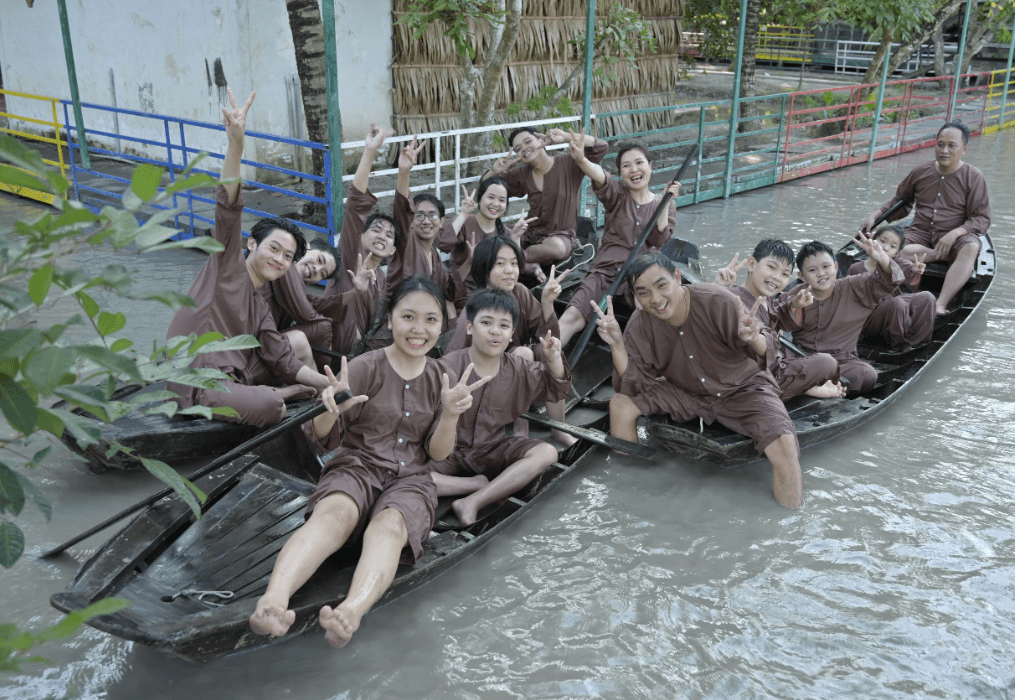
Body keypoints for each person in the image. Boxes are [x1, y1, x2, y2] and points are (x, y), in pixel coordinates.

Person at [249, 276, 493, 648]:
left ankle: (351, 612)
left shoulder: (442, 379)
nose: (419, 329)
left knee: (391, 528)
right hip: (356, 466)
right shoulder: (363, 366)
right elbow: (325, 437)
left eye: (430, 320)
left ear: (442, 326)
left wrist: (449, 415)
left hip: (411, 480)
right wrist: (330, 409)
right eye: (408, 317)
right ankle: (274, 600)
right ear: (390, 319)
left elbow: (438, 455)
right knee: (334, 514)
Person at [166, 89, 333, 427]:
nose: (280, 260)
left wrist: (329, 383)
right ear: (251, 244)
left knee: (290, 352)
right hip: (197, 380)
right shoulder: (226, 267)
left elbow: (281, 356)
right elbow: (228, 208)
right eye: (274, 249)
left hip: (232, 375)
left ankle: (289, 395)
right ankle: (280, 393)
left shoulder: (259, 305)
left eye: (288, 257)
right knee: (274, 406)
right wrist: (236, 144)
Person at [602, 252, 804, 509]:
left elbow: (769, 351)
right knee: (620, 405)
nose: (656, 299)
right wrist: (617, 345)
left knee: (785, 445)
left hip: (743, 388)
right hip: (686, 392)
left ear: (677, 277)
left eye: (661, 286)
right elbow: (634, 383)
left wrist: (754, 337)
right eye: (643, 293)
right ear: (635, 296)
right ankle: (628, 493)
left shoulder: (717, 299)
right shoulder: (639, 324)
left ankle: (790, 519)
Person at [431, 289, 572, 525]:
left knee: (547, 452)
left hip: (492, 449)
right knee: (401, 474)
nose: (495, 331)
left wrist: (554, 359)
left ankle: (473, 501)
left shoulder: (518, 368)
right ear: (469, 327)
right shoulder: (446, 367)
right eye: (486, 322)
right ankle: (472, 484)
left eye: (504, 325)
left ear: (511, 334)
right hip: (446, 453)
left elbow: (556, 389)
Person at [445, 236, 575, 445]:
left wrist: (547, 303)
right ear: (485, 269)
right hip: (485, 383)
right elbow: (452, 358)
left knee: (549, 350)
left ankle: (559, 427)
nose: (509, 270)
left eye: (514, 264)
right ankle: (521, 428)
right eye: (500, 264)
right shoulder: (476, 308)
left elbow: (548, 337)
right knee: (523, 354)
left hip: (516, 376)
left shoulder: (520, 292)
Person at [556, 134, 679, 347]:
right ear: (621, 173)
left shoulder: (663, 202)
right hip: (606, 271)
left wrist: (666, 202)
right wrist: (581, 159)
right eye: (626, 166)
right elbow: (598, 175)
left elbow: (659, 239)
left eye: (639, 163)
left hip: (642, 274)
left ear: (650, 167)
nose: (634, 170)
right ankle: (542, 358)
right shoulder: (617, 194)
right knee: (572, 315)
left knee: (648, 312)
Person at [859, 120, 990, 316]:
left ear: (964, 149)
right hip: (920, 232)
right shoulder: (921, 171)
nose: (944, 151)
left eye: (951, 146)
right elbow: (900, 201)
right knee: (889, 245)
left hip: (956, 236)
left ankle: (940, 304)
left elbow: (981, 218)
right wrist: (875, 216)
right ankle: (937, 256)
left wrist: (956, 233)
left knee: (971, 247)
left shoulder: (973, 176)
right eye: (940, 144)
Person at [713, 240, 845, 399]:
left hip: (769, 366)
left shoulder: (766, 298)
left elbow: (776, 316)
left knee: (802, 356)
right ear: (752, 264)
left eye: (784, 274)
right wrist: (717, 288)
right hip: (748, 377)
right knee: (827, 363)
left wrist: (795, 305)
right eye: (771, 267)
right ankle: (803, 387)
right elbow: (707, 314)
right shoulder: (733, 299)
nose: (776, 277)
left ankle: (800, 385)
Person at [783, 237, 903, 394]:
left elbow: (891, 280)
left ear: (836, 266)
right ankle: (813, 385)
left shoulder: (854, 286)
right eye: (812, 270)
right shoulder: (795, 295)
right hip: (804, 360)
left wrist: (883, 260)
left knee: (866, 374)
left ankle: (812, 385)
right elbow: (775, 322)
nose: (821, 274)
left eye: (826, 266)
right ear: (802, 276)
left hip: (842, 364)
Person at [319, 123, 400, 354]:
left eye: (389, 235)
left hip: (360, 354)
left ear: (393, 250)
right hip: (331, 351)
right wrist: (370, 151)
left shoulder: (382, 279)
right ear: (360, 235)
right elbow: (355, 206)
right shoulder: (348, 257)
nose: (382, 236)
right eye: (376, 230)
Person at [484, 127, 609, 269]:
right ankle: (524, 263)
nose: (524, 148)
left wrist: (565, 136)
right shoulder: (521, 174)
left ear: (541, 140)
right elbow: (487, 189)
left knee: (557, 248)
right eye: (518, 148)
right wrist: (494, 171)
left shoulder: (569, 162)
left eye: (528, 141)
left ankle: (516, 260)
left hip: (560, 237)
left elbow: (601, 146)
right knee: (488, 229)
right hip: (528, 233)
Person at [389, 135, 461, 320]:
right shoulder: (406, 243)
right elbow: (402, 209)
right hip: (402, 321)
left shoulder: (434, 254)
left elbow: (447, 290)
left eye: (432, 215)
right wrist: (404, 172)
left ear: (442, 221)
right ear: (411, 221)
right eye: (419, 215)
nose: (426, 221)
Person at [437, 176, 536, 307]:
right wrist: (464, 213)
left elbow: (519, 268)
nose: (495, 204)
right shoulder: (466, 222)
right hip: (464, 293)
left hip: (496, 291)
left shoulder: (505, 232)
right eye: (491, 197)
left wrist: (516, 237)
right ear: (480, 199)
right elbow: (442, 243)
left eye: (501, 200)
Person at [845, 225, 934, 351]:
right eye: (882, 241)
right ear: (872, 240)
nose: (885, 248)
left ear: (897, 252)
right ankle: (900, 346)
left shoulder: (898, 262)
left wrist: (916, 272)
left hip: (895, 309)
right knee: (897, 303)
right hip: (870, 319)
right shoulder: (855, 269)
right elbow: (849, 304)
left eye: (892, 246)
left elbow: (913, 284)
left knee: (927, 297)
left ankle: (918, 342)